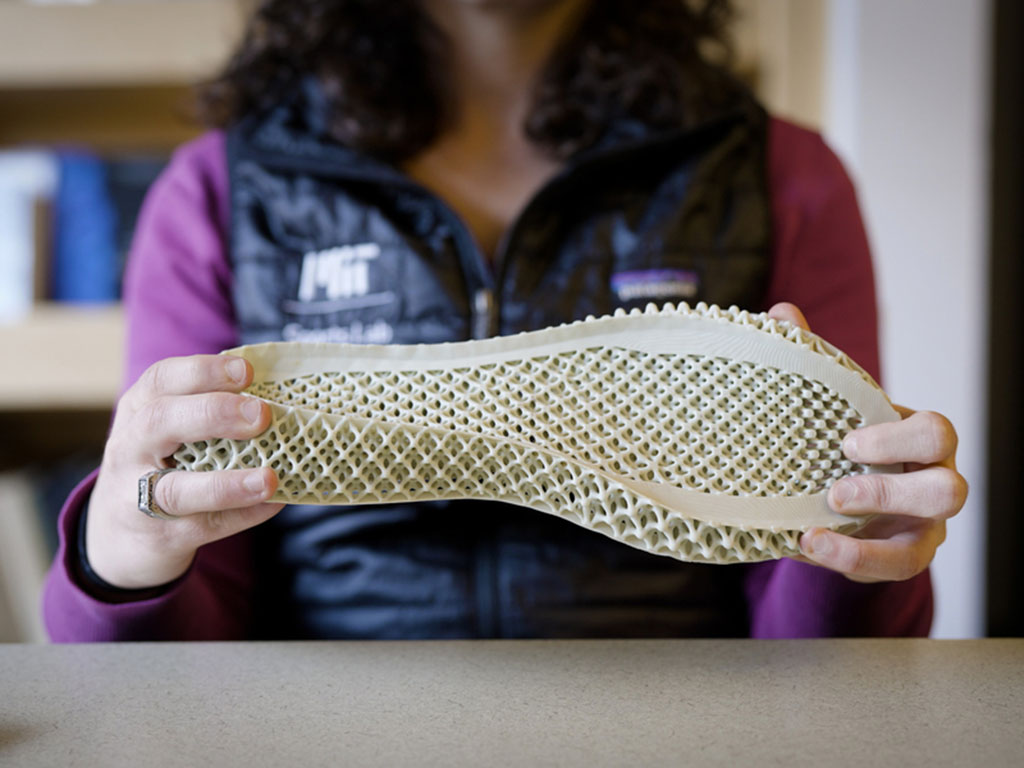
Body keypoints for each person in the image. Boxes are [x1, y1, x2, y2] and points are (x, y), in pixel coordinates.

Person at [43, 0, 966, 641]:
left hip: (683, 730)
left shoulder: (782, 177)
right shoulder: (219, 192)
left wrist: (861, 544)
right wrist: (119, 557)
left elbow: (825, 656)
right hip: (326, 733)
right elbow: (172, 666)